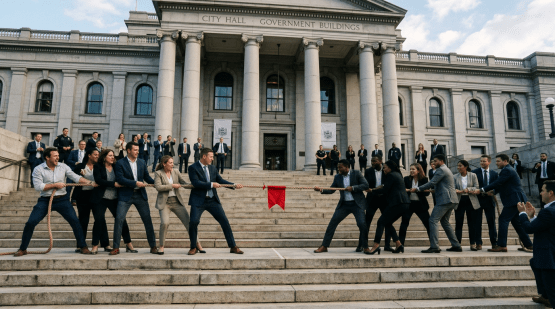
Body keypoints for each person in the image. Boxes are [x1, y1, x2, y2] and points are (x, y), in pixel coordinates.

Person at [14, 148, 92, 257]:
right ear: (47, 157)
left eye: (58, 155)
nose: (58, 157)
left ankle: (83, 246)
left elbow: (75, 177)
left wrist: (90, 182)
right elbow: (38, 186)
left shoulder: (63, 166)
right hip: (45, 200)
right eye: (55, 156)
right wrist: (55, 185)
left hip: (63, 200)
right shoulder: (38, 169)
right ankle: (23, 248)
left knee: (75, 221)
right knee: (30, 223)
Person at [187, 148, 244, 255]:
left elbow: (220, 180)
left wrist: (234, 185)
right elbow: (195, 183)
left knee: (225, 222)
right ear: (204, 156)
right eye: (211, 157)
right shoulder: (192, 168)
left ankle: (233, 246)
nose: (212, 159)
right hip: (198, 201)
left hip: (213, 200)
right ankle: (193, 247)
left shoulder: (213, 168)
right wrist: (211, 184)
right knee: (193, 222)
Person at [473, 154, 533, 252]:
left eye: (498, 161)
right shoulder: (507, 170)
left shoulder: (507, 170)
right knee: (517, 223)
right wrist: (493, 192)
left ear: (505, 161)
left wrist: (482, 189)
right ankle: (529, 245)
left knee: (503, 220)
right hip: (515, 199)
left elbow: (497, 182)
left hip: (513, 199)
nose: (496, 163)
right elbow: (502, 185)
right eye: (496, 161)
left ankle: (501, 245)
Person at [314, 159, 370, 254]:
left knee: (362, 224)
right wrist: (321, 190)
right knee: (332, 223)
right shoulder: (337, 177)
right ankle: (324, 246)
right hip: (344, 205)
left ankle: (365, 246)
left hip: (357, 204)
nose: (338, 169)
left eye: (340, 167)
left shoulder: (356, 173)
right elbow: (332, 189)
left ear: (347, 167)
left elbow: (365, 185)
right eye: (338, 167)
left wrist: (353, 188)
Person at [111, 142, 158, 255]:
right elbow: (120, 179)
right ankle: (116, 247)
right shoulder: (120, 163)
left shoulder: (142, 162)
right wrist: (135, 183)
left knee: (147, 220)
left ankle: (153, 246)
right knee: (119, 220)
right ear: (128, 150)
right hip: (125, 195)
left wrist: (158, 182)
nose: (138, 151)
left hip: (140, 195)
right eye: (135, 150)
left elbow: (147, 177)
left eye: (138, 150)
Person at [154, 155, 204, 255]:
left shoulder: (176, 172)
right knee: (165, 223)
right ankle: (161, 246)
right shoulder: (158, 173)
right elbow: (158, 187)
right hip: (165, 203)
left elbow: (184, 183)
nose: (173, 165)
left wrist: (197, 185)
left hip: (176, 201)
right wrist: (172, 186)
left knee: (189, 223)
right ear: (164, 164)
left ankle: (198, 244)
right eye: (170, 163)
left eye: (173, 163)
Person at [413, 154, 462, 253]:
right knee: (445, 222)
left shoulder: (441, 170)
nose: (434, 163)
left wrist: (418, 188)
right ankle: (456, 245)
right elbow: (442, 184)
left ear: (441, 161)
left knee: (432, 220)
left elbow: (432, 182)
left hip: (445, 199)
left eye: (435, 161)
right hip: (451, 199)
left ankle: (434, 246)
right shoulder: (446, 169)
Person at [518, 181, 555, 308]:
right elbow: (543, 227)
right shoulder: (550, 210)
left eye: (543, 190)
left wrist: (522, 213)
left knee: (552, 288)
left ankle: (548, 298)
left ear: (551, 193)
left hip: (548, 255)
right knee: (534, 262)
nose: (540, 193)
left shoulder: (548, 211)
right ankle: (545, 296)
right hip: (546, 253)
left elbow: (529, 229)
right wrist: (533, 217)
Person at [92, 149, 136, 254]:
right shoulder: (98, 166)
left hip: (115, 198)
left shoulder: (116, 167)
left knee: (121, 220)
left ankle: (128, 243)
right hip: (101, 198)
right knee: (98, 220)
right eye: (110, 155)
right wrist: (113, 184)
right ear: (104, 157)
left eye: (113, 156)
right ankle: (95, 245)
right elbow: (98, 180)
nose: (113, 157)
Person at [367, 160, 409, 254]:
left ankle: (376, 245)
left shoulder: (391, 175)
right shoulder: (397, 174)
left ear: (389, 168)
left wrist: (372, 191)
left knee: (381, 221)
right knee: (387, 222)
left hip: (397, 203)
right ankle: (398, 244)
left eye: (385, 167)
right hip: (404, 203)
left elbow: (385, 189)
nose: (383, 169)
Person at [357, 155, 393, 252]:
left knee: (387, 222)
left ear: (381, 161)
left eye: (375, 161)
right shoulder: (368, 171)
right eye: (372, 161)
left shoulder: (387, 171)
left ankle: (387, 245)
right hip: (372, 199)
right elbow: (364, 183)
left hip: (384, 199)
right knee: (366, 223)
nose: (373, 163)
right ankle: (361, 245)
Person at [72, 149, 102, 252]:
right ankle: (81, 244)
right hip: (83, 195)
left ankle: (99, 244)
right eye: (95, 154)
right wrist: (81, 176)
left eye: (98, 155)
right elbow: (74, 178)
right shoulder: (80, 166)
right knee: (83, 221)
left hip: (96, 195)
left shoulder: (99, 166)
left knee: (99, 219)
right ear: (89, 155)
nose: (97, 156)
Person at [472, 155, 499, 250]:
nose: (482, 163)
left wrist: (493, 192)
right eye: (481, 161)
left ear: (489, 162)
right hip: (478, 200)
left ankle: (494, 242)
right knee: (477, 222)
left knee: (491, 223)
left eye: (484, 161)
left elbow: (498, 186)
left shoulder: (494, 174)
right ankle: (478, 243)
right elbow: (471, 185)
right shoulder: (474, 173)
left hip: (489, 201)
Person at [401, 163, 430, 246]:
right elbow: (402, 190)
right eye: (410, 169)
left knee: (428, 224)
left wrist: (417, 190)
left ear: (418, 170)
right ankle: (400, 245)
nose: (411, 171)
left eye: (413, 169)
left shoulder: (424, 179)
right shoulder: (406, 179)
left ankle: (434, 245)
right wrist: (409, 190)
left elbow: (427, 193)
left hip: (421, 205)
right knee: (404, 224)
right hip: (409, 204)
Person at [453, 160, 481, 251]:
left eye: (460, 166)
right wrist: (459, 191)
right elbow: (453, 188)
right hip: (459, 201)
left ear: (465, 166)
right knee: (458, 224)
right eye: (458, 166)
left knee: (472, 224)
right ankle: (457, 244)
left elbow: (477, 187)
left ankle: (473, 244)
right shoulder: (455, 177)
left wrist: (467, 189)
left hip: (471, 201)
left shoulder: (473, 175)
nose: (458, 167)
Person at [67, 140, 87, 205]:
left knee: (78, 187)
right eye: (81, 144)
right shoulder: (73, 152)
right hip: (73, 170)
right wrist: (75, 163)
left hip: (81, 171)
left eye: (84, 144)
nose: (83, 145)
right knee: (69, 186)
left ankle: (73, 200)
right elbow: (68, 160)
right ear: (78, 145)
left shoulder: (87, 153)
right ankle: (66, 200)